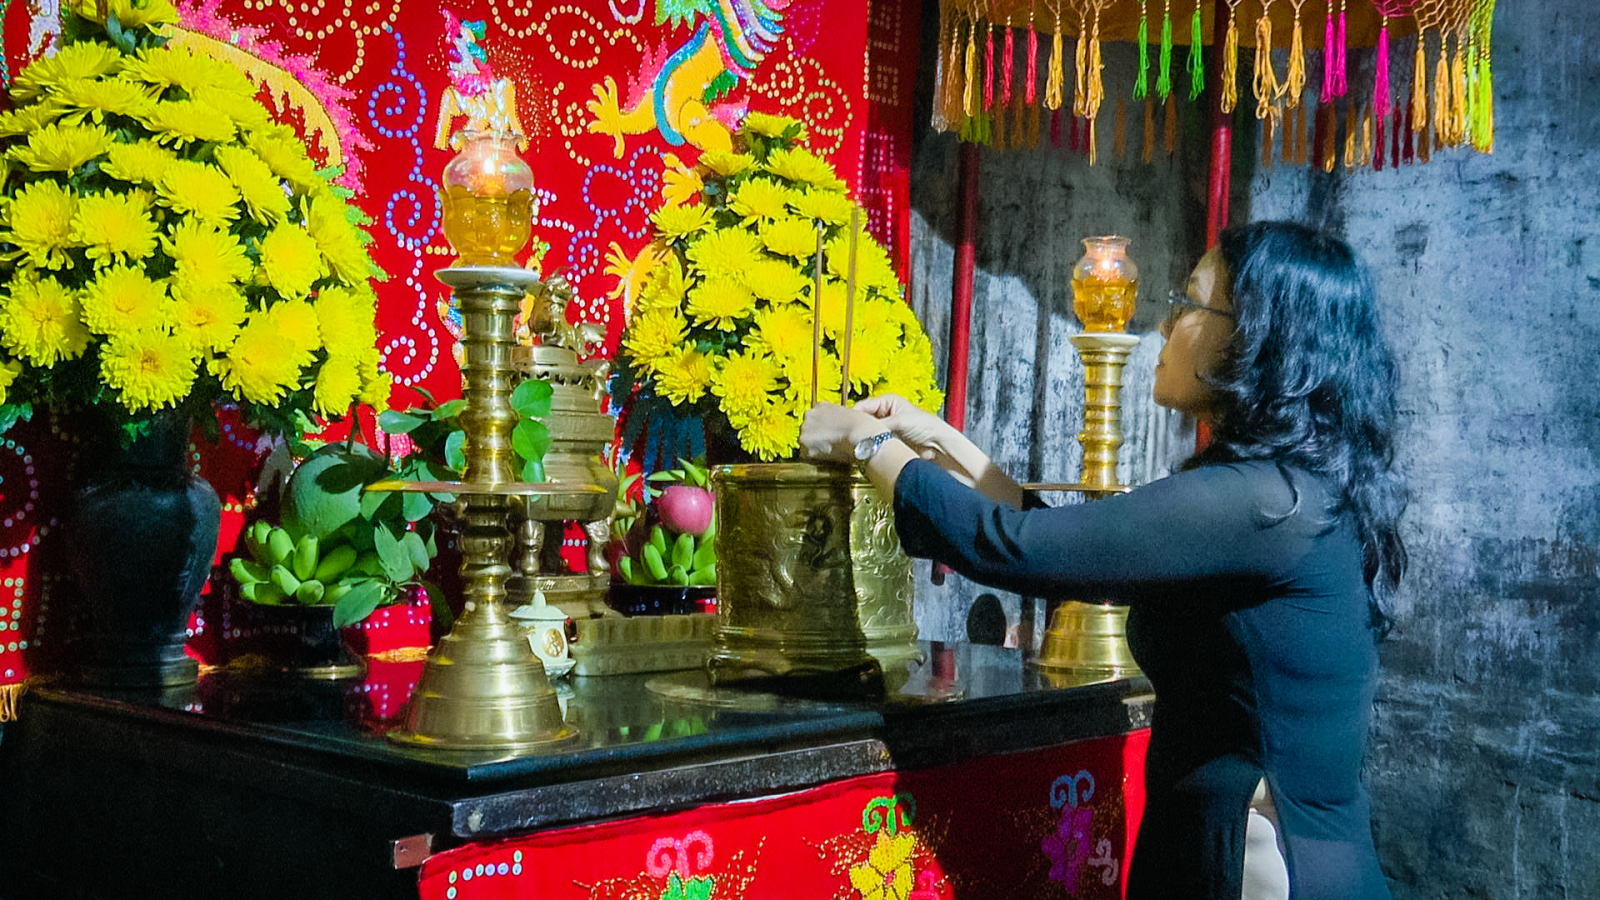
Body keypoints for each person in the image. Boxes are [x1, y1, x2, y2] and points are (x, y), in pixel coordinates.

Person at [800, 221, 1406, 900]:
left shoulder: (1262, 503)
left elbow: (1016, 548)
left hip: (1261, 872)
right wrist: (939, 442)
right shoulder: (1295, 493)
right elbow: (1069, 547)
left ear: (1257, 337)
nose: (1166, 323)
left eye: (1190, 302)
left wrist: (868, 443)